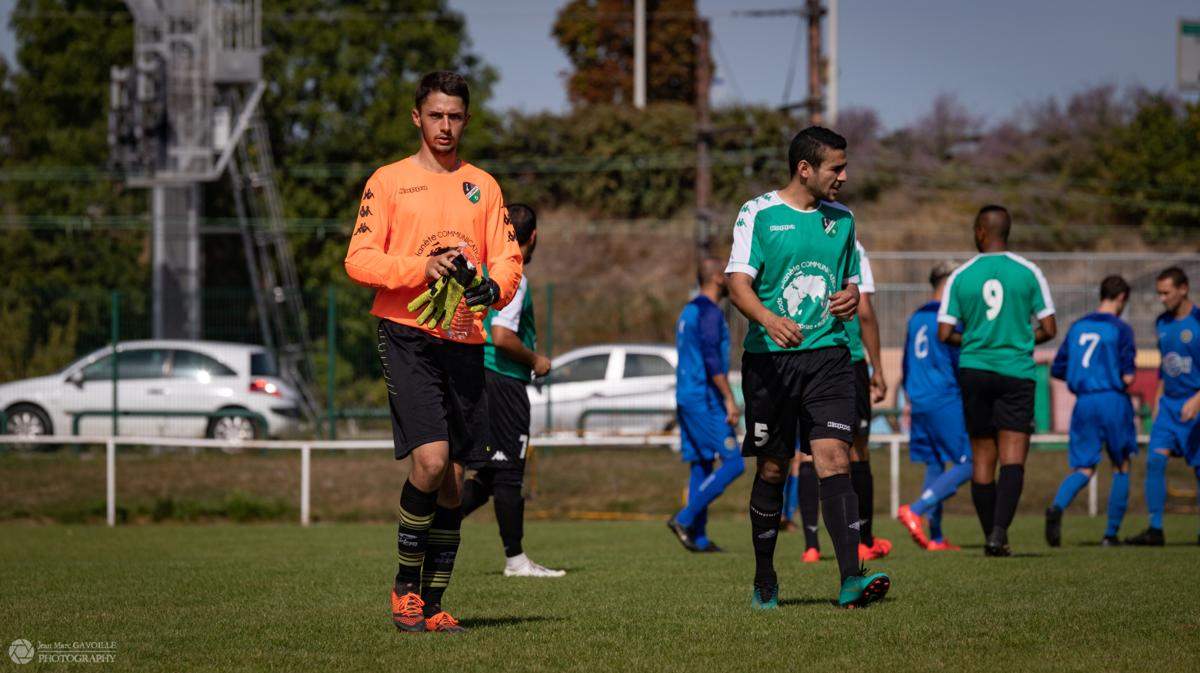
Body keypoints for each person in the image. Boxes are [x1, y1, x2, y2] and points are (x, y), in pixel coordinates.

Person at [344, 71, 523, 633]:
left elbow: (507, 261)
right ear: (416, 118)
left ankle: (434, 600)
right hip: (406, 334)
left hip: (465, 339)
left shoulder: (484, 187)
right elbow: (359, 259)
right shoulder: (389, 181)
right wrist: (420, 267)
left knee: (453, 476)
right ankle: (403, 589)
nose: (445, 126)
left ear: (465, 120)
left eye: (455, 117)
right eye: (436, 115)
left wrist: (493, 289)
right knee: (430, 460)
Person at [726, 126, 890, 610]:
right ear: (805, 168)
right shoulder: (758, 214)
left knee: (835, 458)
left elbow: (852, 285)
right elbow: (737, 284)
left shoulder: (843, 220)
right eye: (835, 167)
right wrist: (768, 319)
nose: (844, 176)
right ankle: (764, 578)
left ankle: (850, 579)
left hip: (831, 358)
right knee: (774, 468)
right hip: (770, 362)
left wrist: (850, 296)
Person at [937, 205, 1056, 557]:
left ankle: (991, 533)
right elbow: (1049, 329)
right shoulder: (1029, 272)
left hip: (974, 370)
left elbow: (945, 332)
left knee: (982, 457)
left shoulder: (962, 275)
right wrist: (1017, 340)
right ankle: (999, 532)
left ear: (980, 232)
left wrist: (976, 341)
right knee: (1013, 457)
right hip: (1016, 371)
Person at [460, 204, 564, 577]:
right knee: (507, 473)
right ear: (533, 236)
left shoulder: (480, 267)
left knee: (488, 475)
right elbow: (503, 336)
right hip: (502, 379)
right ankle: (516, 561)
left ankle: (432, 531)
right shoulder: (512, 274)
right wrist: (536, 359)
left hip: (475, 375)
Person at [784, 240, 889, 564]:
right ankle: (863, 540)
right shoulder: (849, 242)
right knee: (855, 450)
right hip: (845, 358)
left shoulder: (790, 233)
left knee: (805, 454)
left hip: (795, 355)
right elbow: (866, 312)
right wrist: (878, 368)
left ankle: (811, 545)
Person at [1045, 275, 1137, 547]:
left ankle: (1057, 507)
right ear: (1121, 298)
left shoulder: (1077, 327)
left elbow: (1058, 368)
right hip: (1112, 399)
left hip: (1083, 402)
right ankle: (1111, 534)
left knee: (1084, 467)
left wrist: (1084, 378)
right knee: (1121, 465)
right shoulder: (1120, 328)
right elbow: (1129, 377)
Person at [667, 257, 746, 553]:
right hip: (704, 396)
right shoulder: (710, 314)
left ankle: (698, 538)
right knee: (734, 463)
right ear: (716, 278)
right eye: (726, 273)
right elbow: (713, 361)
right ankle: (684, 518)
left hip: (686, 395)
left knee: (701, 462)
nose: (730, 277)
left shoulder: (688, 311)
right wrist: (729, 398)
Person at [895, 261, 974, 551]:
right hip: (945, 398)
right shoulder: (948, 317)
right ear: (950, 283)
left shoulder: (916, 317)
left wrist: (909, 397)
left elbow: (906, 362)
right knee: (970, 462)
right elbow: (960, 360)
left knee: (935, 463)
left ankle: (936, 537)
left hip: (919, 400)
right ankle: (915, 510)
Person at [1126, 267, 1200, 546]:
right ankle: (1155, 529)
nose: (1161, 298)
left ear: (1183, 289)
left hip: (1195, 402)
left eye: (1166, 292)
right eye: (1158, 293)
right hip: (1169, 406)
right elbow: (1165, 366)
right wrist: (1158, 397)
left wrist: (1197, 399)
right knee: (1155, 461)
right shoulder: (1161, 323)